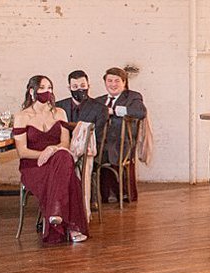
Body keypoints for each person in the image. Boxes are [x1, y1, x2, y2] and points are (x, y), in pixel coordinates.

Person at [12, 75, 89, 244]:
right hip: (34, 165)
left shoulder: (59, 113)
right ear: (32, 91)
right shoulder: (22, 116)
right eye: (43, 88)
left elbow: (64, 143)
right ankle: (71, 226)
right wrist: (43, 154)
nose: (48, 92)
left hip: (58, 159)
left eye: (50, 88)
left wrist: (52, 149)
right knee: (68, 175)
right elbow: (22, 152)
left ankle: (56, 213)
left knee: (63, 156)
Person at [96, 67, 147, 203]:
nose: (113, 84)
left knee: (109, 151)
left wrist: (113, 111)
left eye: (117, 81)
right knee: (90, 152)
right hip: (101, 142)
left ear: (124, 82)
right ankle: (97, 196)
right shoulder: (99, 101)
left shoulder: (132, 97)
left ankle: (122, 193)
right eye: (109, 81)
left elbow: (140, 112)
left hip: (122, 142)